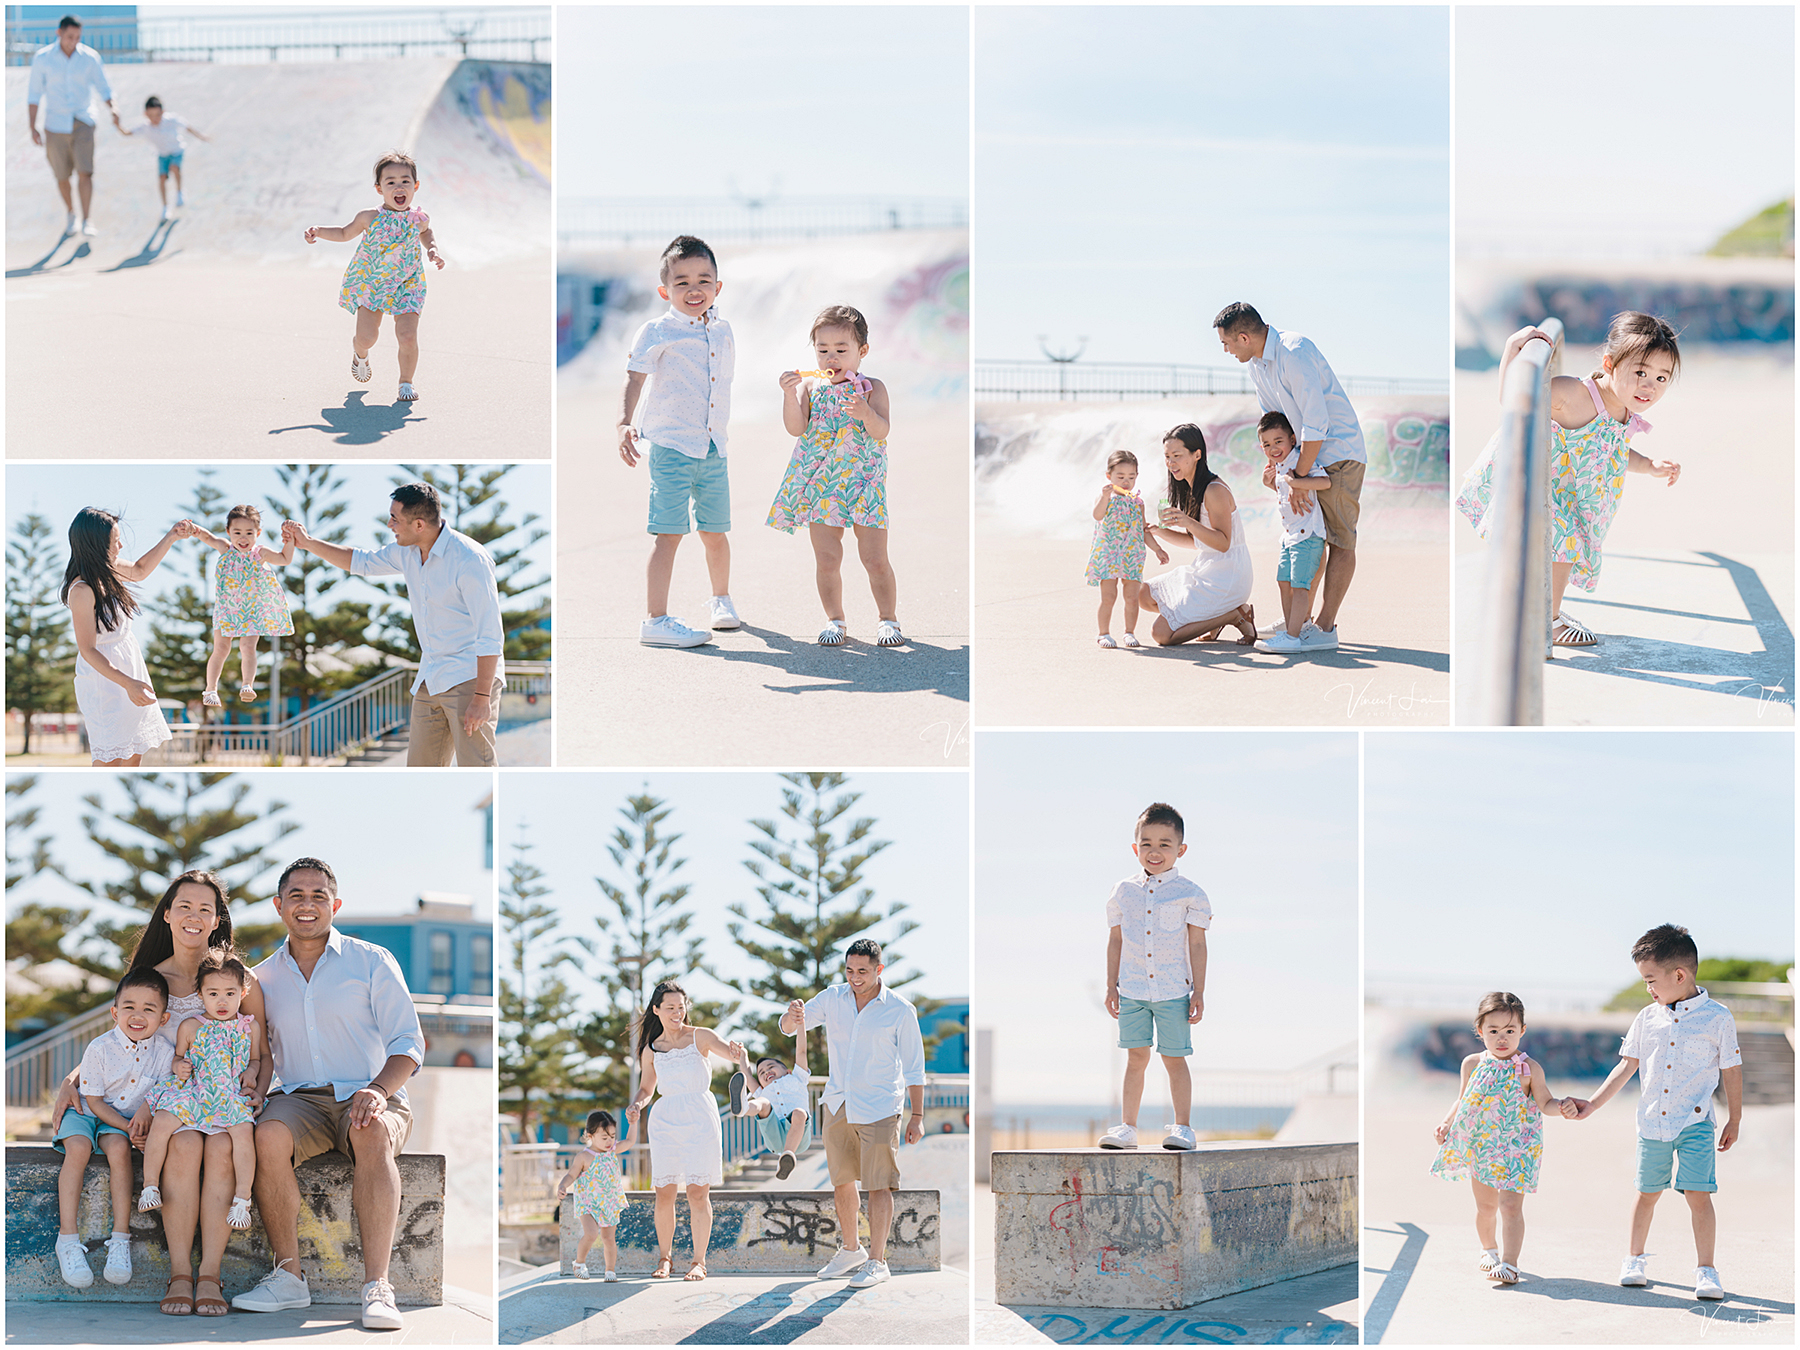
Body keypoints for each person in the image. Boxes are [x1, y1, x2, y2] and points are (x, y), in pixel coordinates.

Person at [45, 870, 265, 1317]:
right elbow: (122, 1041)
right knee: (183, 1146)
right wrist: (73, 1079)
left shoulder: (239, 980)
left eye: (206, 908)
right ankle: (181, 1273)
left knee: (223, 1146)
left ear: (218, 919)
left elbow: (261, 1046)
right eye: (184, 906)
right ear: (167, 914)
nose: (194, 916)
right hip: (176, 1103)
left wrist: (256, 1089)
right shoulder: (150, 977)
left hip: (226, 1101)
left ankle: (211, 1276)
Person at [233, 856, 426, 1331]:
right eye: (296, 895)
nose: (307, 904)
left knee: (372, 1130)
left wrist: (379, 1090)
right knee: (267, 1136)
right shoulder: (260, 979)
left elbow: (409, 1043)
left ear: (335, 905)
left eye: (319, 895)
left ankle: (377, 1287)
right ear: (279, 906)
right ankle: (289, 1279)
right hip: (299, 1098)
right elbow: (253, 1052)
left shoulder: (372, 960)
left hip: (370, 1091)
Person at [1457, 314, 1682, 647]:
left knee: (1561, 545)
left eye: (1662, 378)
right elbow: (1513, 401)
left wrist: (1649, 465)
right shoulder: (1572, 393)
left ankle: (1537, 610)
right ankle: (1545, 622)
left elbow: (1614, 452)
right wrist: (1511, 350)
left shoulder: (1622, 410)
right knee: (1564, 542)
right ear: (1609, 363)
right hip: (1535, 481)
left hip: (1570, 493)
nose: (1649, 386)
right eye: (1640, 373)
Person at [1560, 924, 1741, 1301]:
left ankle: (1706, 1270)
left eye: (1650, 979)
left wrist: (1735, 1119)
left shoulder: (1718, 1018)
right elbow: (1625, 1068)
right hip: (1652, 1124)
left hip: (1696, 1124)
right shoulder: (1647, 1018)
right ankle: (1634, 1259)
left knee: (1699, 1194)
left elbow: (1731, 1070)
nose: (1648, 989)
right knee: (1646, 1193)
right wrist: (1591, 1105)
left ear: (1679, 975)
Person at [282, 481, 504, 766]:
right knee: (420, 774)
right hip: (431, 678)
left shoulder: (469, 559)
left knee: (477, 770)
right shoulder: (407, 552)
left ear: (419, 525)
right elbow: (360, 561)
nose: (390, 525)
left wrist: (482, 697)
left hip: (469, 679)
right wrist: (309, 543)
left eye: (395, 519)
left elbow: (490, 634)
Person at [1215, 302, 1365, 651]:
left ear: (1243, 336)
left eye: (1227, 343)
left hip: (1337, 455)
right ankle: (1301, 619)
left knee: (1341, 541)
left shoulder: (1293, 352)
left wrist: (1298, 476)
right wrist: (1279, 469)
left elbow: (1317, 423)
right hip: (1302, 461)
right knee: (1309, 540)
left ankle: (1325, 629)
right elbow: (1275, 420)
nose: (1226, 350)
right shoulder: (1256, 365)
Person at [782, 938, 927, 1289]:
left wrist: (917, 1116)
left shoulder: (900, 1009)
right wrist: (791, 1015)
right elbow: (790, 1027)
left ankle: (878, 1262)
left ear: (879, 970)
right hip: (837, 1103)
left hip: (879, 1106)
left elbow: (914, 1067)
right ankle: (851, 1250)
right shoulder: (832, 997)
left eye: (863, 971)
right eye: (849, 970)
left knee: (879, 1184)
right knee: (842, 1180)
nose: (855, 977)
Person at [620, 235, 740, 647]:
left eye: (704, 280)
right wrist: (624, 422)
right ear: (665, 290)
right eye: (682, 281)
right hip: (671, 446)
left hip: (713, 447)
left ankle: (721, 600)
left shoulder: (723, 332)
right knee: (668, 533)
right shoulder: (656, 330)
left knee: (716, 531)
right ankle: (655, 620)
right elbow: (635, 377)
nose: (694, 289)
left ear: (717, 287)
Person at [768, 305, 908, 647]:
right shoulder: (811, 389)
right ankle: (835, 619)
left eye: (841, 350)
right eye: (823, 350)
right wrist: (789, 395)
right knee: (827, 559)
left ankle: (888, 618)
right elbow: (796, 428)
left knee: (875, 558)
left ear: (862, 351)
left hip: (865, 481)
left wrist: (865, 412)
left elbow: (881, 430)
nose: (831, 358)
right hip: (823, 483)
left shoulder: (873, 388)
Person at [1430, 992, 1570, 1286]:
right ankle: (1488, 1250)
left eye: (1510, 1030)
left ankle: (1510, 1264)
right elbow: (1462, 1100)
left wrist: (1561, 1107)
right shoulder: (1472, 1063)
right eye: (1493, 1031)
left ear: (1522, 1031)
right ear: (1480, 1031)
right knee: (1486, 1208)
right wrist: (1446, 1122)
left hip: (1518, 1148)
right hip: (1482, 1146)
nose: (1502, 1037)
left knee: (1510, 1207)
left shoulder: (1530, 1068)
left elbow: (1544, 1102)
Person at [1097, 802, 1210, 1152]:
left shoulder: (1190, 893)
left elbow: (1197, 944)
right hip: (1131, 989)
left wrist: (1199, 992)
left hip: (1174, 990)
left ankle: (1183, 1128)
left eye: (1164, 843)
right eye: (1146, 843)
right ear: (1135, 848)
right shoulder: (1122, 892)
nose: (1155, 851)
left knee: (1175, 1059)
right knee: (1135, 1058)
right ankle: (1127, 1128)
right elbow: (1115, 940)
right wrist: (1110, 985)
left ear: (1181, 849)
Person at [51, 968, 174, 1290]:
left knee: (119, 1151)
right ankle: (67, 1239)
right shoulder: (100, 1047)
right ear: (114, 1012)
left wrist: (141, 1119)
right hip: (89, 1111)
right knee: (77, 1149)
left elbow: (157, 1094)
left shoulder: (163, 1053)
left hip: (119, 1120)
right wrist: (131, 1127)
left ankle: (120, 1239)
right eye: (129, 1007)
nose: (138, 1015)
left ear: (163, 1019)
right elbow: (94, 1101)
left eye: (149, 1009)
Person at [138, 952, 265, 1234]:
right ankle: (149, 1186)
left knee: (244, 1133)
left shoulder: (249, 1027)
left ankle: (242, 1200)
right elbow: (178, 1057)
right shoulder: (191, 1025)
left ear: (243, 993)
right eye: (213, 993)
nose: (222, 1001)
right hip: (195, 1090)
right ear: (200, 994)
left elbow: (255, 1059)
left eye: (230, 993)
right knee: (162, 1121)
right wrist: (179, 1065)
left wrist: (253, 1073)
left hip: (229, 1093)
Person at [623, 980, 741, 1281]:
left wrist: (739, 1054)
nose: (677, 1012)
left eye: (681, 1006)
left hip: (700, 1117)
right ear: (656, 1010)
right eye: (670, 1007)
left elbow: (733, 1054)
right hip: (665, 1120)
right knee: (664, 1193)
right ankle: (665, 1259)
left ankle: (699, 1262)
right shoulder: (651, 1049)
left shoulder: (700, 1036)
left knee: (698, 1192)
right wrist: (637, 1105)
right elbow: (647, 1088)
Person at [303, 151, 443, 402]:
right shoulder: (370, 217)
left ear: (416, 186)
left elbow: (426, 231)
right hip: (373, 283)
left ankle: (405, 383)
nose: (398, 187)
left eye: (405, 181)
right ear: (379, 189)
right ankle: (360, 353)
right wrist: (319, 231)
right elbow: (345, 233)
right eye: (390, 182)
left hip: (407, 283)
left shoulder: (418, 218)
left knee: (407, 336)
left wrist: (431, 248)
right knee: (368, 337)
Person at [60, 507, 185, 766]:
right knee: (111, 759)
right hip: (104, 680)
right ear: (96, 545)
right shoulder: (82, 590)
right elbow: (88, 650)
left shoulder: (110, 570)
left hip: (130, 666)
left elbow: (140, 570)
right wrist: (127, 683)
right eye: (114, 540)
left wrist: (171, 536)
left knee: (134, 753)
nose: (120, 545)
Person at [1144, 424, 1256, 646]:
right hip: (1206, 568)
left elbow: (1223, 543)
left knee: (1161, 635)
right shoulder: (1190, 487)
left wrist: (1187, 522)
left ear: (1197, 455)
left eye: (1177, 455)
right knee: (1142, 595)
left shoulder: (1214, 490)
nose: (1170, 463)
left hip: (1227, 577)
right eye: (1167, 456)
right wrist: (1159, 532)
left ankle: (1233, 615)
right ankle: (1212, 620)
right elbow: (1198, 542)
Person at [184, 505, 295, 708]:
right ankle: (210, 689)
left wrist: (289, 541)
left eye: (249, 533)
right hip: (227, 608)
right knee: (221, 648)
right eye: (237, 533)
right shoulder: (225, 549)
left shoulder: (261, 553)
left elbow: (285, 559)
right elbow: (208, 537)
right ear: (228, 532)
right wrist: (194, 529)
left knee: (248, 647)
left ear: (258, 533)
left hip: (252, 610)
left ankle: (247, 685)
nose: (243, 538)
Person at [26, 14, 120, 238]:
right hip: (55, 124)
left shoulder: (90, 57)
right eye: (70, 36)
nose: (73, 41)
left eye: (77, 37)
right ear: (59, 33)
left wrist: (113, 107)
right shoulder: (43, 58)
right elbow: (34, 94)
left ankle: (87, 219)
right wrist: (32, 126)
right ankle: (71, 214)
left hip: (83, 121)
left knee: (85, 172)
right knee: (62, 176)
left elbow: (103, 87)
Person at [1250, 412, 1333, 655]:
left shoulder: (1299, 461)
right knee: (1283, 582)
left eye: (1278, 441)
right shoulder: (1278, 466)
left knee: (1299, 586)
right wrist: (1271, 483)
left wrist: (1297, 482)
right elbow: (1283, 489)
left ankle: (1293, 637)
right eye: (1266, 444)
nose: (1273, 448)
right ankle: (1292, 630)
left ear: (1293, 439)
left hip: (1308, 535)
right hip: (1290, 535)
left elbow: (1324, 482)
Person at [1084, 450, 1169, 649]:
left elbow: (1143, 529)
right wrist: (1104, 497)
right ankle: (1103, 633)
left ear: (1137, 477)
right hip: (1109, 553)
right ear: (1109, 476)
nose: (1126, 481)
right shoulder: (1107, 497)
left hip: (1132, 554)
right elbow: (1097, 516)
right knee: (1109, 596)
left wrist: (1157, 549)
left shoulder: (1137, 502)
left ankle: (1129, 632)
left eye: (1131, 477)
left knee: (1131, 597)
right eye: (1120, 477)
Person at [728, 1000, 813, 1180]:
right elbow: (746, 1075)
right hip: (774, 1135)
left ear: (787, 1071)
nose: (766, 1072)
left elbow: (802, 1051)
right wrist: (743, 1057)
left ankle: (788, 1156)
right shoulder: (762, 1091)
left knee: (799, 1113)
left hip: (799, 1138)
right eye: (762, 1072)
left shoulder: (797, 1077)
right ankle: (744, 1107)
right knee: (763, 1103)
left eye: (771, 1067)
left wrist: (801, 1023)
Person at [555, 1110, 630, 1281]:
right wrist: (563, 1185)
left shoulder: (613, 1151)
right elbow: (571, 1175)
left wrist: (633, 1123)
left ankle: (610, 1271)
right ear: (590, 1135)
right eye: (604, 1138)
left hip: (609, 1202)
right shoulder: (584, 1156)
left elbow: (631, 1141)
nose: (609, 1141)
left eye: (612, 1136)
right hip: (588, 1203)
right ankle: (579, 1263)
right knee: (591, 1233)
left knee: (609, 1238)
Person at [115, 94, 211, 222]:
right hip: (163, 154)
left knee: (174, 167)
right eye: (151, 116)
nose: (155, 119)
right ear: (145, 114)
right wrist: (117, 125)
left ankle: (179, 192)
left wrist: (201, 136)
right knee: (161, 179)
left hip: (176, 150)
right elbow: (127, 133)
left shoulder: (172, 120)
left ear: (163, 112)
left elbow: (187, 127)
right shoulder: (145, 127)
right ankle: (166, 207)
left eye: (157, 115)